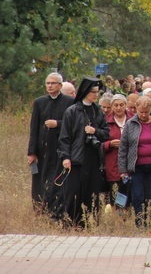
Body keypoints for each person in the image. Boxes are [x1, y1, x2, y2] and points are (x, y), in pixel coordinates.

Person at [57, 77, 109, 227]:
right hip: (75, 158)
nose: (95, 95)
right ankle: (70, 224)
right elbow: (65, 137)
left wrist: (95, 131)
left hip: (93, 158)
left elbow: (106, 133)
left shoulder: (98, 111)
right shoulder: (72, 111)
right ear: (85, 92)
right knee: (73, 193)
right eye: (92, 92)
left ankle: (90, 224)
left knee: (91, 193)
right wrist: (65, 157)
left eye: (97, 92)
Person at [118, 96, 151, 226]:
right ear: (136, 109)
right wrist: (123, 170)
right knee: (137, 196)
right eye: (140, 112)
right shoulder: (130, 124)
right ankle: (140, 222)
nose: (143, 115)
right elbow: (123, 148)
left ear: (150, 110)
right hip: (136, 167)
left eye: (146, 112)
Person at [27, 72, 74, 216]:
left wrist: (57, 124)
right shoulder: (39, 102)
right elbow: (34, 128)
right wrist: (31, 152)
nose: (50, 86)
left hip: (61, 148)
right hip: (43, 148)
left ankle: (58, 211)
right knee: (41, 179)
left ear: (60, 85)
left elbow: (72, 124)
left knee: (58, 179)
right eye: (48, 83)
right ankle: (40, 209)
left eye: (53, 83)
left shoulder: (69, 102)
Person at [103, 94, 132, 205]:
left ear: (126, 105)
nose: (118, 108)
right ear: (112, 106)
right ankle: (117, 218)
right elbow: (99, 141)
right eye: (116, 105)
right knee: (116, 196)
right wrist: (109, 144)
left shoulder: (133, 119)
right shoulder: (105, 121)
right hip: (112, 163)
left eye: (121, 105)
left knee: (129, 195)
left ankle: (129, 218)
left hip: (131, 163)